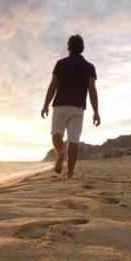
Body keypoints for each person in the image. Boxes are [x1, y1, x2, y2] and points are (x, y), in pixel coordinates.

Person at [41, 34, 100, 179]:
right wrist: (96, 112)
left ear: (69, 48)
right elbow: (92, 90)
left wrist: (45, 105)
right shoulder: (89, 67)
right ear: (82, 48)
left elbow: (53, 86)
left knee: (56, 135)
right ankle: (70, 174)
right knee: (74, 141)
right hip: (77, 108)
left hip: (60, 105)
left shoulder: (61, 63)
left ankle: (60, 153)